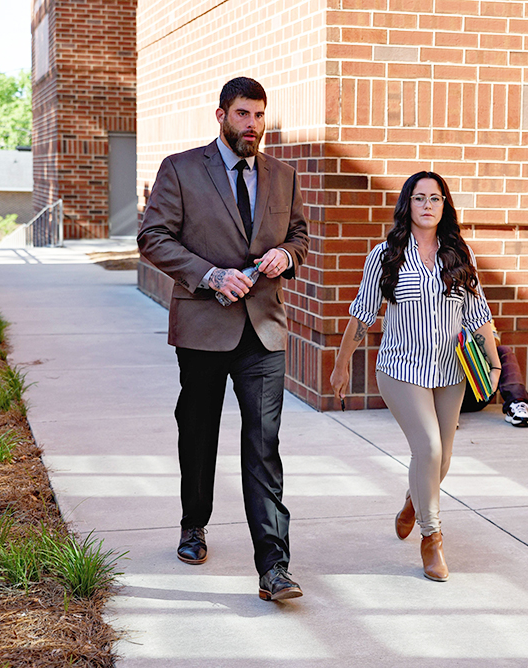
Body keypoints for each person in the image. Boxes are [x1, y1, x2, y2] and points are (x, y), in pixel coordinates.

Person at [137, 76, 309, 602]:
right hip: (204, 326)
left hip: (264, 329)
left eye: (259, 115)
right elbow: (152, 237)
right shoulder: (181, 169)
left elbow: (299, 234)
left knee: (263, 445)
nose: (252, 125)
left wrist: (288, 255)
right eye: (242, 114)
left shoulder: (283, 175)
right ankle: (194, 525)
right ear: (221, 116)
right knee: (198, 431)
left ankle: (273, 567)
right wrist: (210, 275)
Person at [330, 171, 500, 582]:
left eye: (436, 198)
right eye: (420, 197)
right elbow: (363, 313)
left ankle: (414, 501)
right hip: (402, 368)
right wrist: (340, 363)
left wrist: (495, 366)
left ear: (445, 206)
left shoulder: (459, 254)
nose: (428, 205)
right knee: (428, 446)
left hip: (450, 369)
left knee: (440, 458)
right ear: (408, 203)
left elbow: (478, 315)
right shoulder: (386, 254)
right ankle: (432, 538)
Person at [460, 322, 528, 427]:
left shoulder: (477, 311)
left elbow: (495, 342)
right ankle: (445, 416)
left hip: (478, 393)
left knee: (503, 351)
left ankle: (516, 403)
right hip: (446, 396)